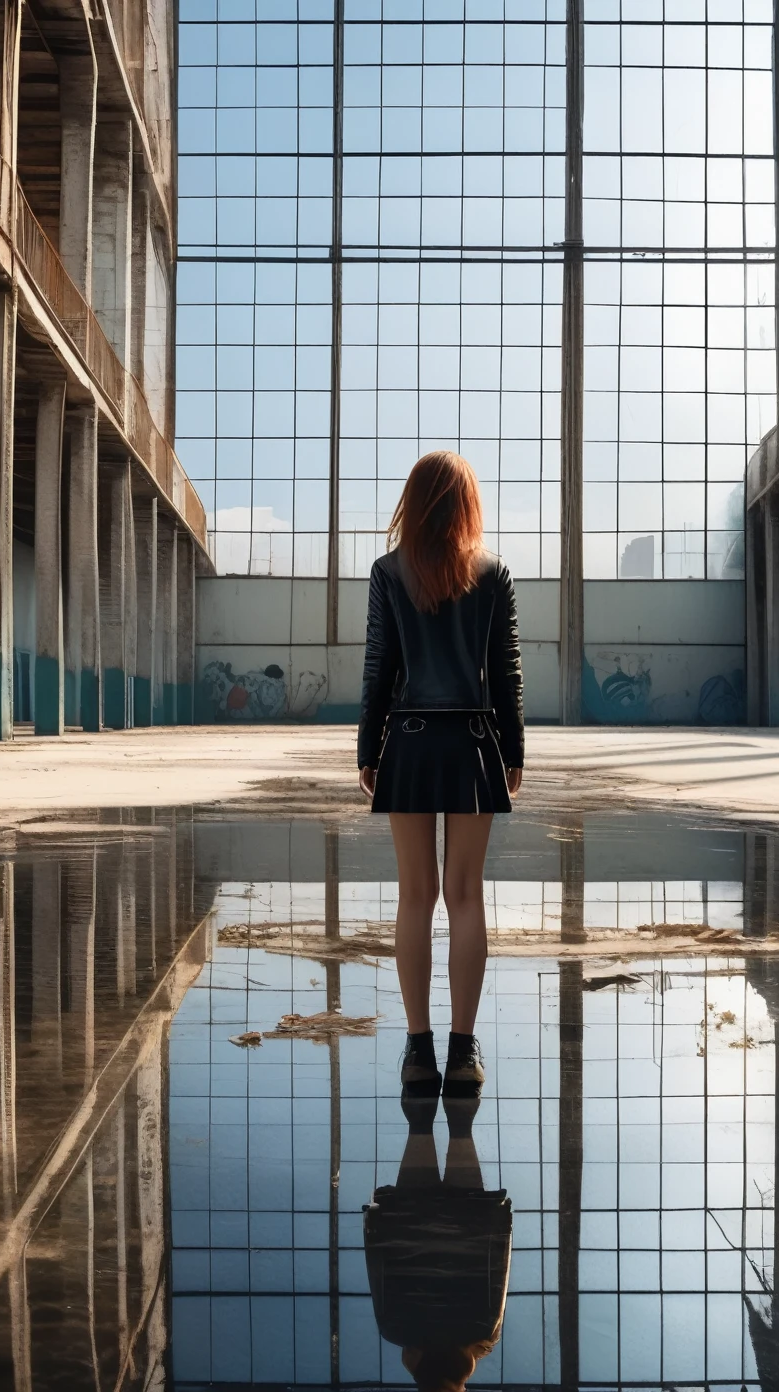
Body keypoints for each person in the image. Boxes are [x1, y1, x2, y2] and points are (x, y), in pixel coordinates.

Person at [357, 450, 524, 1097]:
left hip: (410, 744)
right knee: (465, 897)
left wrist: (369, 750)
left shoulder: (387, 572)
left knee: (413, 897)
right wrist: (514, 753)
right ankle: (464, 1052)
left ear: (413, 500)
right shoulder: (493, 573)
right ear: (466, 504)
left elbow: (379, 667)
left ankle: (417, 1051)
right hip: (474, 747)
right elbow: (506, 672)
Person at [362, 1094, 512, 1392]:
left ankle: (462, 1069)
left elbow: (495, 1268)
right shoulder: (399, 1328)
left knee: (460, 1128)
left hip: (471, 1224)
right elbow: (382, 1268)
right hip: (408, 1221)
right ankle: (421, 1069)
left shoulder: (481, 1329)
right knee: (420, 1126)